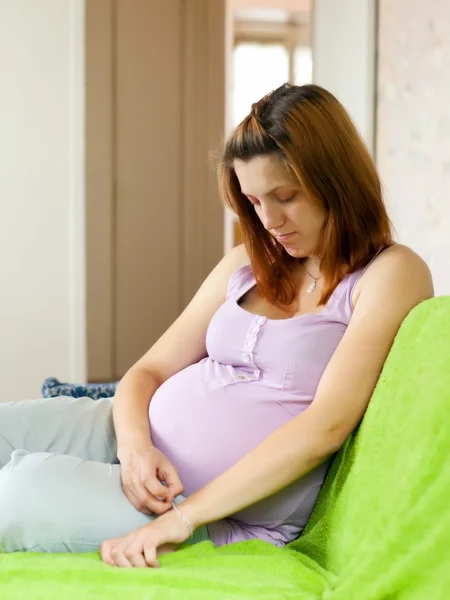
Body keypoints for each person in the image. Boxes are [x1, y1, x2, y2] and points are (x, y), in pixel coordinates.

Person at [0, 83, 433, 568]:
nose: (268, 219)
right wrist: (136, 447)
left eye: (284, 196)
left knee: (19, 493)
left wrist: (178, 522)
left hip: (207, 511)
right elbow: (147, 372)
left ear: (336, 180)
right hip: (129, 443)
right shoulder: (246, 263)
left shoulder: (389, 274)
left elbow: (325, 426)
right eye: (252, 201)